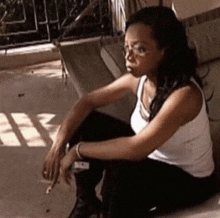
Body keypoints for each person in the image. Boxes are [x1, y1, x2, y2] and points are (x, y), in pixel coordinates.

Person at [42, 6, 217, 218]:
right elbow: (87, 102)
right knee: (88, 122)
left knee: (123, 173)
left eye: (140, 49)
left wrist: (77, 150)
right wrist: (57, 146)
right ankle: (86, 201)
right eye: (126, 48)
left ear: (165, 50)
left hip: (190, 181)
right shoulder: (139, 79)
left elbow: (136, 149)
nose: (129, 57)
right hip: (152, 159)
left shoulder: (184, 96)